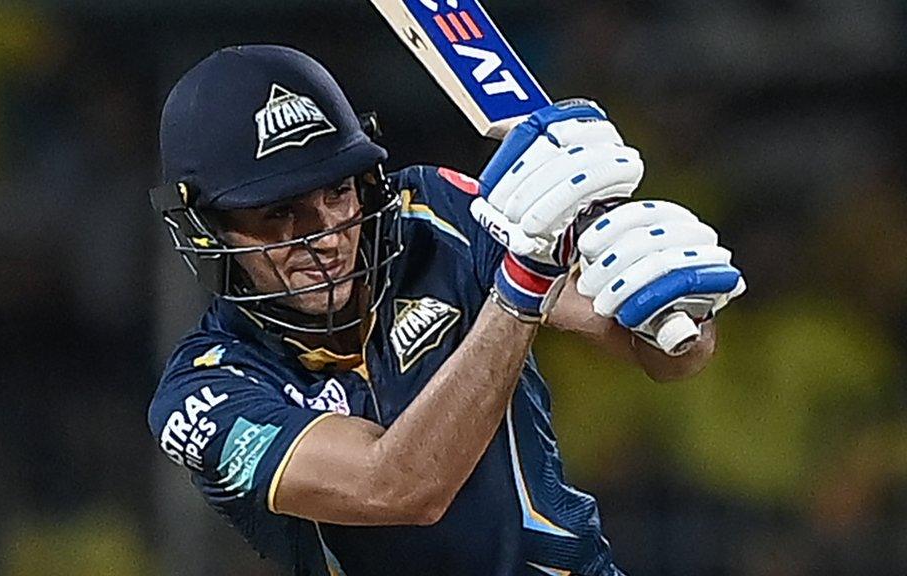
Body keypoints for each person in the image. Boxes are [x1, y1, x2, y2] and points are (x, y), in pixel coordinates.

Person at [147, 45, 744, 576]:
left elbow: (661, 355)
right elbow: (398, 487)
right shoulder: (205, 392)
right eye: (278, 212)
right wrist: (521, 285)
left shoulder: (431, 215)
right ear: (209, 230)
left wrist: (671, 298)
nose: (325, 235)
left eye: (337, 191)